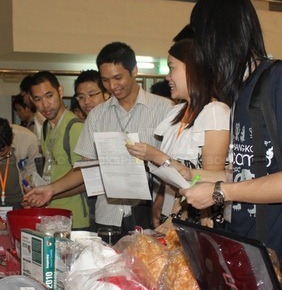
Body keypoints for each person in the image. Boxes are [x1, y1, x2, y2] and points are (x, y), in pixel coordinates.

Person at [179, 0, 282, 261]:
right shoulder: (242, 91)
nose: (200, 51)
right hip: (248, 245)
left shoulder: (281, 80)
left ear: (219, 35)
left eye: (201, 38)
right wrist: (192, 177)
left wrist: (219, 192)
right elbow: (250, 174)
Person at [24, 42, 172, 233]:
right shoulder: (97, 115)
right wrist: (51, 189)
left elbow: (173, 165)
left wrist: (161, 198)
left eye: (118, 78)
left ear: (134, 70)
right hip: (107, 216)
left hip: (149, 214)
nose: (112, 86)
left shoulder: (164, 109)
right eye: (105, 80)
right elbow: (85, 168)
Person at [126, 39, 230, 226]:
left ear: (193, 69)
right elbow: (171, 175)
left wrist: (155, 155)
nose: (167, 77)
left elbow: (209, 180)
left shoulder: (215, 112)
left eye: (171, 68)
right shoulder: (177, 112)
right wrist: (160, 201)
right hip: (172, 212)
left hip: (197, 217)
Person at [29, 71, 89, 229]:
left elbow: (84, 174)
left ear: (60, 92)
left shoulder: (75, 127)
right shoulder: (46, 127)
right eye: (38, 99)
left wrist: (49, 192)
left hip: (74, 217)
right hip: (51, 215)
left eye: (49, 95)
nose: (45, 104)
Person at [19, 74, 46, 140]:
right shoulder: (38, 113)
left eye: (23, 96)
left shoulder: (42, 113)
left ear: (30, 93)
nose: (24, 101)